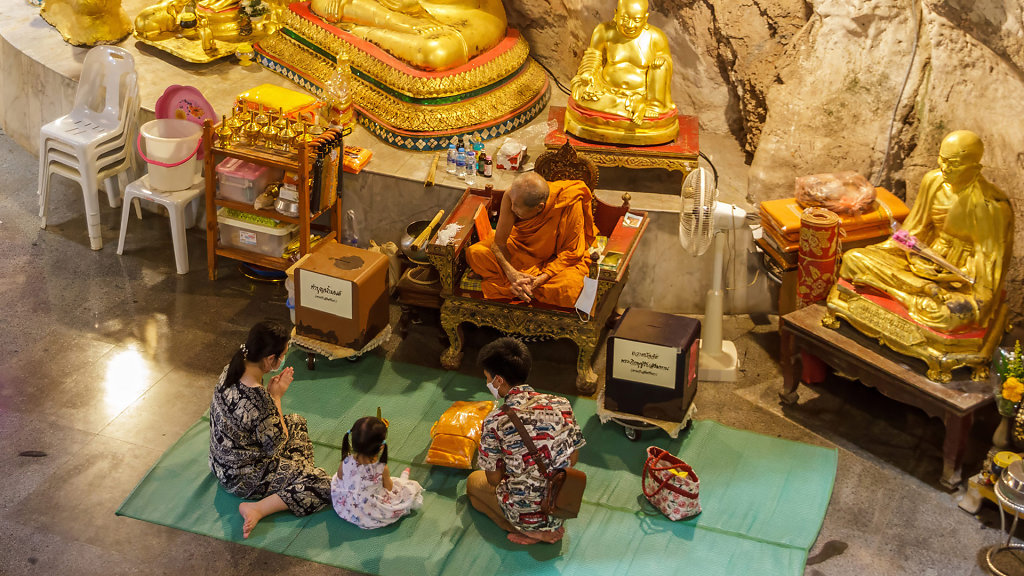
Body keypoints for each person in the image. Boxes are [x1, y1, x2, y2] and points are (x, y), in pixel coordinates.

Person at [830, 130, 1014, 332]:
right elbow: (912, 231)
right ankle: (918, 291)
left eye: (953, 164)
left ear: (976, 167)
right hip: (923, 260)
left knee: (952, 314)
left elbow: (989, 263)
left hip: (958, 277)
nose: (945, 168)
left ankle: (906, 293)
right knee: (853, 259)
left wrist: (978, 300)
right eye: (942, 160)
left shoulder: (992, 205)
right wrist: (907, 250)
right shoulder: (933, 181)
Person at [208, 321, 331, 539]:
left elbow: (253, 418)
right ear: (269, 359)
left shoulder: (232, 368)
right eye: (282, 355)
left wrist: (270, 399)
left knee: (296, 421)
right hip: (242, 478)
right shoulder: (260, 398)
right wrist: (276, 396)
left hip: (221, 465)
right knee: (323, 484)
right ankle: (259, 507)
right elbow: (277, 445)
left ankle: (296, 472)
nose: (283, 359)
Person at [466, 337, 586, 545]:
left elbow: (494, 479)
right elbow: (573, 457)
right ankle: (546, 528)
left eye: (487, 378)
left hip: (524, 511)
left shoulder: (495, 420)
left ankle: (526, 531)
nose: (487, 383)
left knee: (473, 485)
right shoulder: (562, 403)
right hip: (561, 503)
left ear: (498, 381)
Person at [464, 172, 598, 307]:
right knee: (475, 253)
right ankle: (519, 286)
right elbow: (499, 243)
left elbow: (571, 252)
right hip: (520, 247)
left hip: (555, 260)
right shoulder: (512, 195)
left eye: (517, 209)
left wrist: (541, 279)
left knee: (572, 287)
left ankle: (519, 287)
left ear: (539, 207)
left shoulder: (570, 202)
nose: (512, 209)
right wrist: (512, 274)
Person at [565, 0, 678, 145]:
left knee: (661, 66)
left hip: (640, 93)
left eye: (636, 20)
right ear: (616, 14)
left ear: (645, 18)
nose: (630, 25)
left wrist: (661, 61)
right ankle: (633, 108)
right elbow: (593, 55)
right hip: (605, 90)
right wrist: (587, 73)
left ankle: (646, 105)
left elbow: (666, 61)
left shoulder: (655, 37)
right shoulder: (604, 31)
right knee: (581, 95)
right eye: (625, 18)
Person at [309, 0, 508, 71]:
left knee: (435, 53)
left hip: (464, 13)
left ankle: (361, 32)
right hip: (399, 8)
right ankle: (399, 23)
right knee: (323, 2)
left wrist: (413, 7)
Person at [330, 416, 424, 529]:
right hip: (371, 509)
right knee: (407, 487)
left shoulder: (346, 461)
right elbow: (389, 487)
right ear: (381, 446)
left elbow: (339, 478)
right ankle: (404, 480)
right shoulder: (381, 468)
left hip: (348, 507)